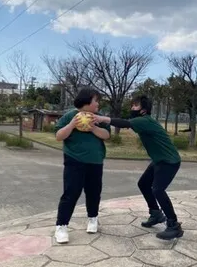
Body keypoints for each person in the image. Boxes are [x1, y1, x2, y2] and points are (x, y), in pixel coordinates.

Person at [96, 95, 183, 240]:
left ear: (143, 110)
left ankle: (174, 225)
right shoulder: (143, 121)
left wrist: (103, 119)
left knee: (158, 190)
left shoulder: (145, 120)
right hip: (159, 160)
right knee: (143, 184)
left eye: (135, 106)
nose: (132, 108)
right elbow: (128, 123)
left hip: (169, 161)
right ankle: (155, 214)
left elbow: (124, 123)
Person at [54, 87, 110, 244]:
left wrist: (93, 127)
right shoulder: (69, 116)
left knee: (94, 192)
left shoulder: (99, 118)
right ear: (86, 102)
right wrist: (72, 124)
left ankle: (93, 219)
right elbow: (59, 136)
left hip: (96, 161)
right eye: (96, 101)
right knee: (71, 193)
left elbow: (106, 135)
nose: (98, 104)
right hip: (74, 161)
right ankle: (61, 226)